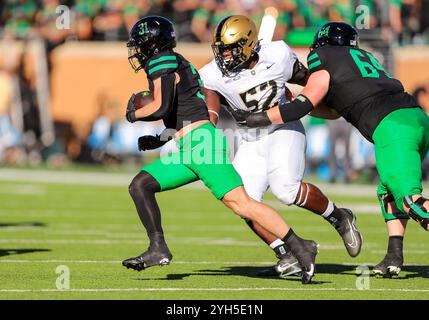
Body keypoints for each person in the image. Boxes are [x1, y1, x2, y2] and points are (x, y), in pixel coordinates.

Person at [121, 16, 319, 284]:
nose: (138, 50)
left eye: (140, 44)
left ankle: (300, 246)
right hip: (190, 145)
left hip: (201, 145)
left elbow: (161, 106)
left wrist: (133, 115)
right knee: (141, 185)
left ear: (151, 44)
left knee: (243, 204)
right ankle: (158, 248)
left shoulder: (162, 60)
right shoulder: (170, 61)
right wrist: (161, 138)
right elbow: (183, 112)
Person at [231, 22, 429, 278]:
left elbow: (305, 103)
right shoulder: (361, 57)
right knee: (389, 191)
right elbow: (333, 111)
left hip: (392, 127)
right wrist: (292, 103)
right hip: (415, 118)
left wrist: (260, 117)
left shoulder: (324, 57)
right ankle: (394, 256)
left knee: (411, 201)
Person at [199, 15, 362, 277]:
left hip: (283, 128)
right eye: (222, 49)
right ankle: (285, 253)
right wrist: (208, 124)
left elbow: (310, 80)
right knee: (242, 202)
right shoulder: (211, 73)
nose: (226, 55)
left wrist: (327, 105)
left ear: (250, 43)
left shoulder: (278, 53)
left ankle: (339, 217)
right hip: (250, 139)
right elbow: (210, 104)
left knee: (286, 190)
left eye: (232, 48)